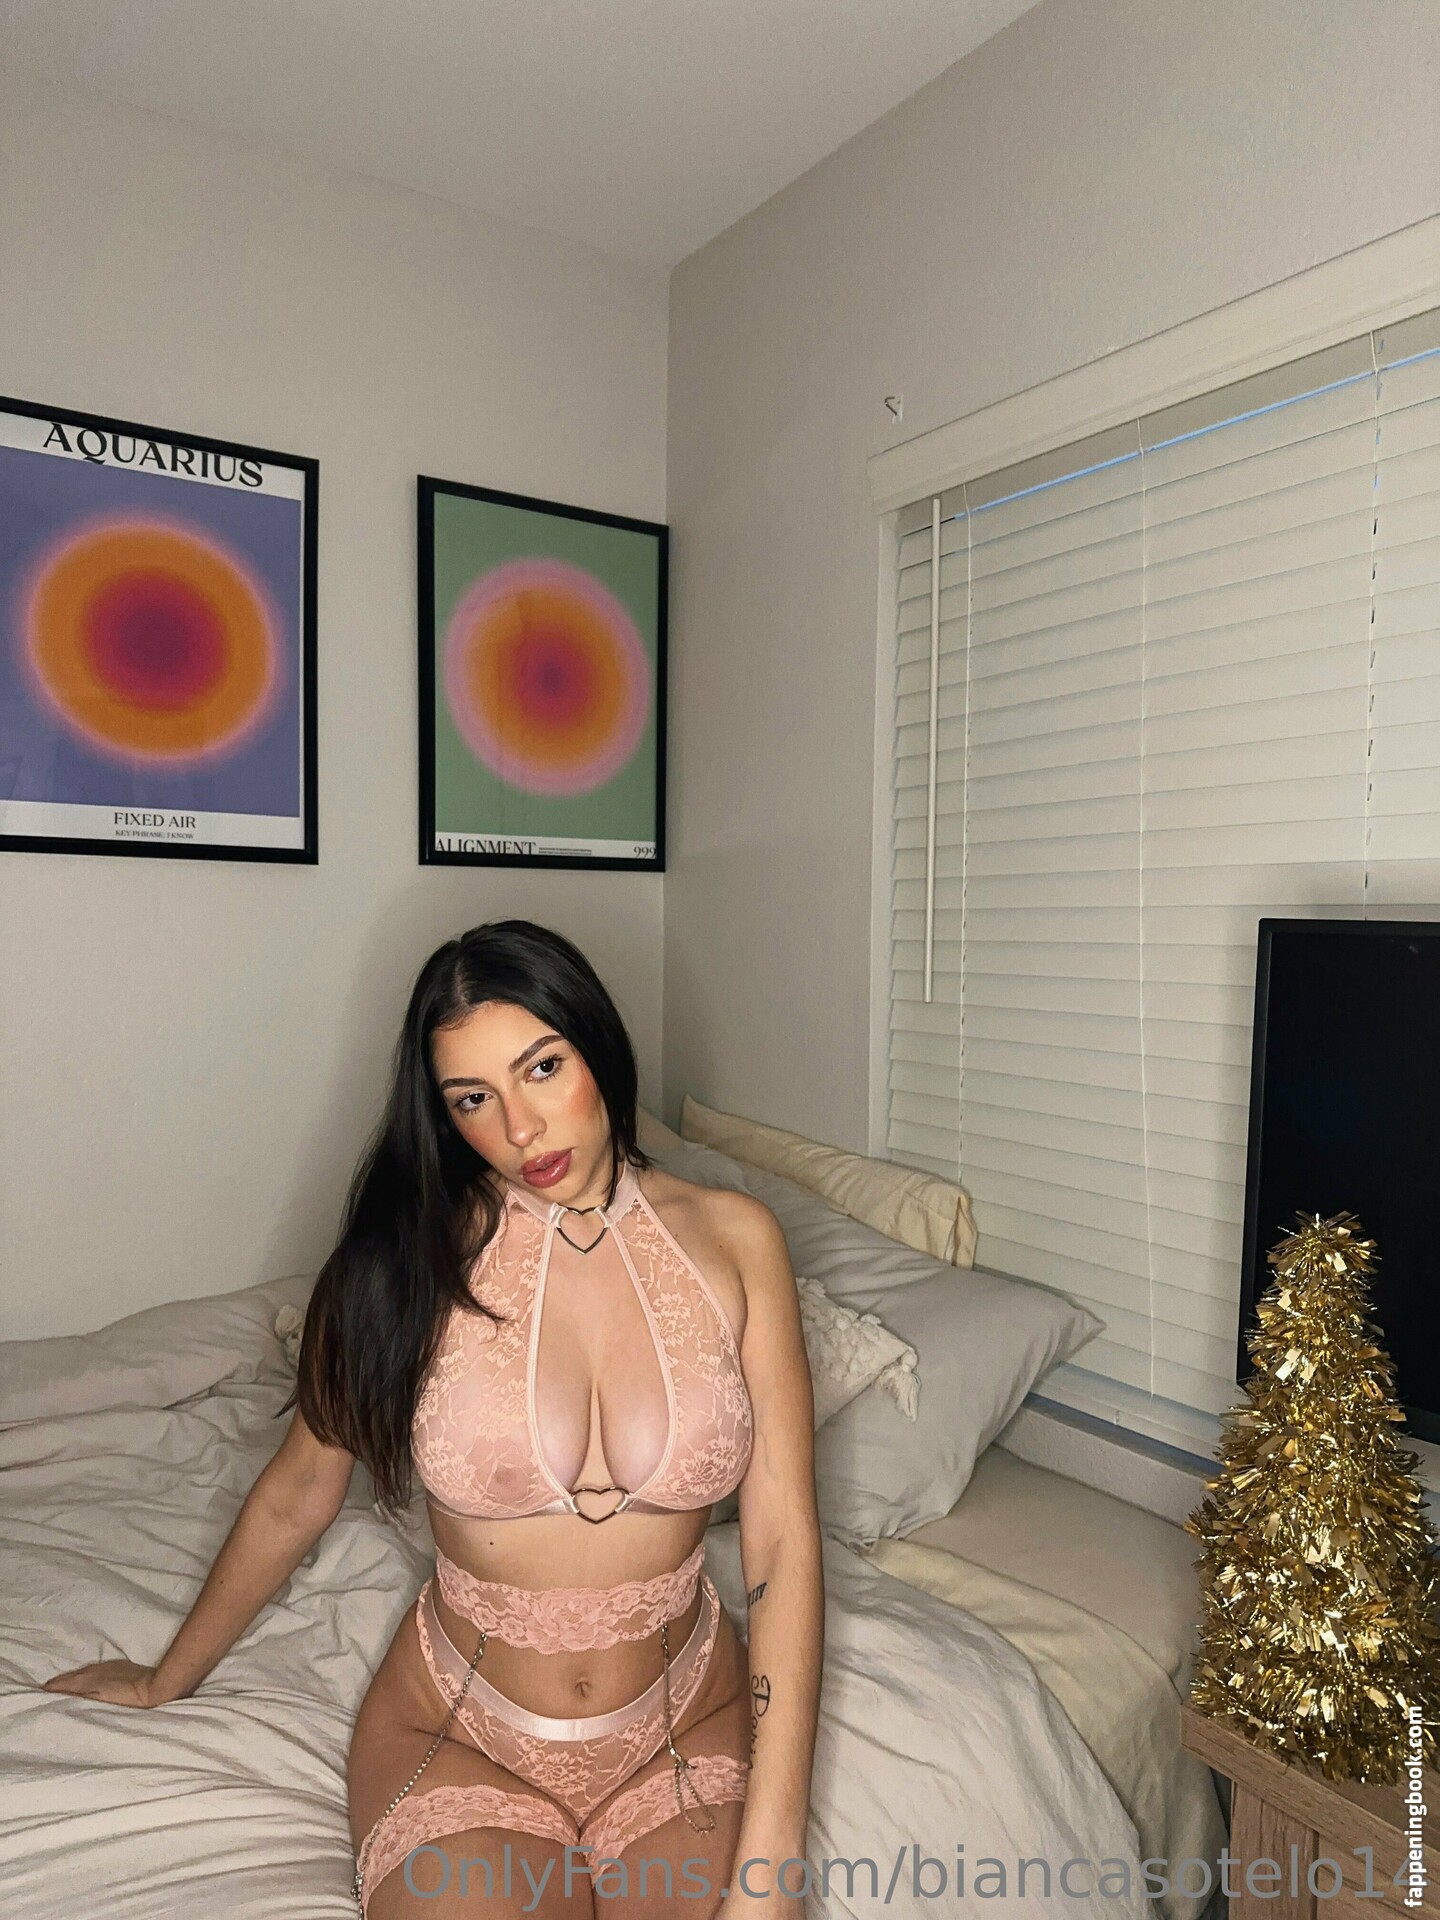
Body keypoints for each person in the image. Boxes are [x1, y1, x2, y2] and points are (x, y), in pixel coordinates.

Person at [44, 918, 824, 1917]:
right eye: (473, 1098)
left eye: (543, 1067)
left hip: (687, 1731)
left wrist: (773, 1855)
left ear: (598, 1044)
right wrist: (166, 1680)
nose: (521, 1129)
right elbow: (297, 1492)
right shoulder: (399, 1266)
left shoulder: (740, 1240)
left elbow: (783, 1540)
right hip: (461, 1737)